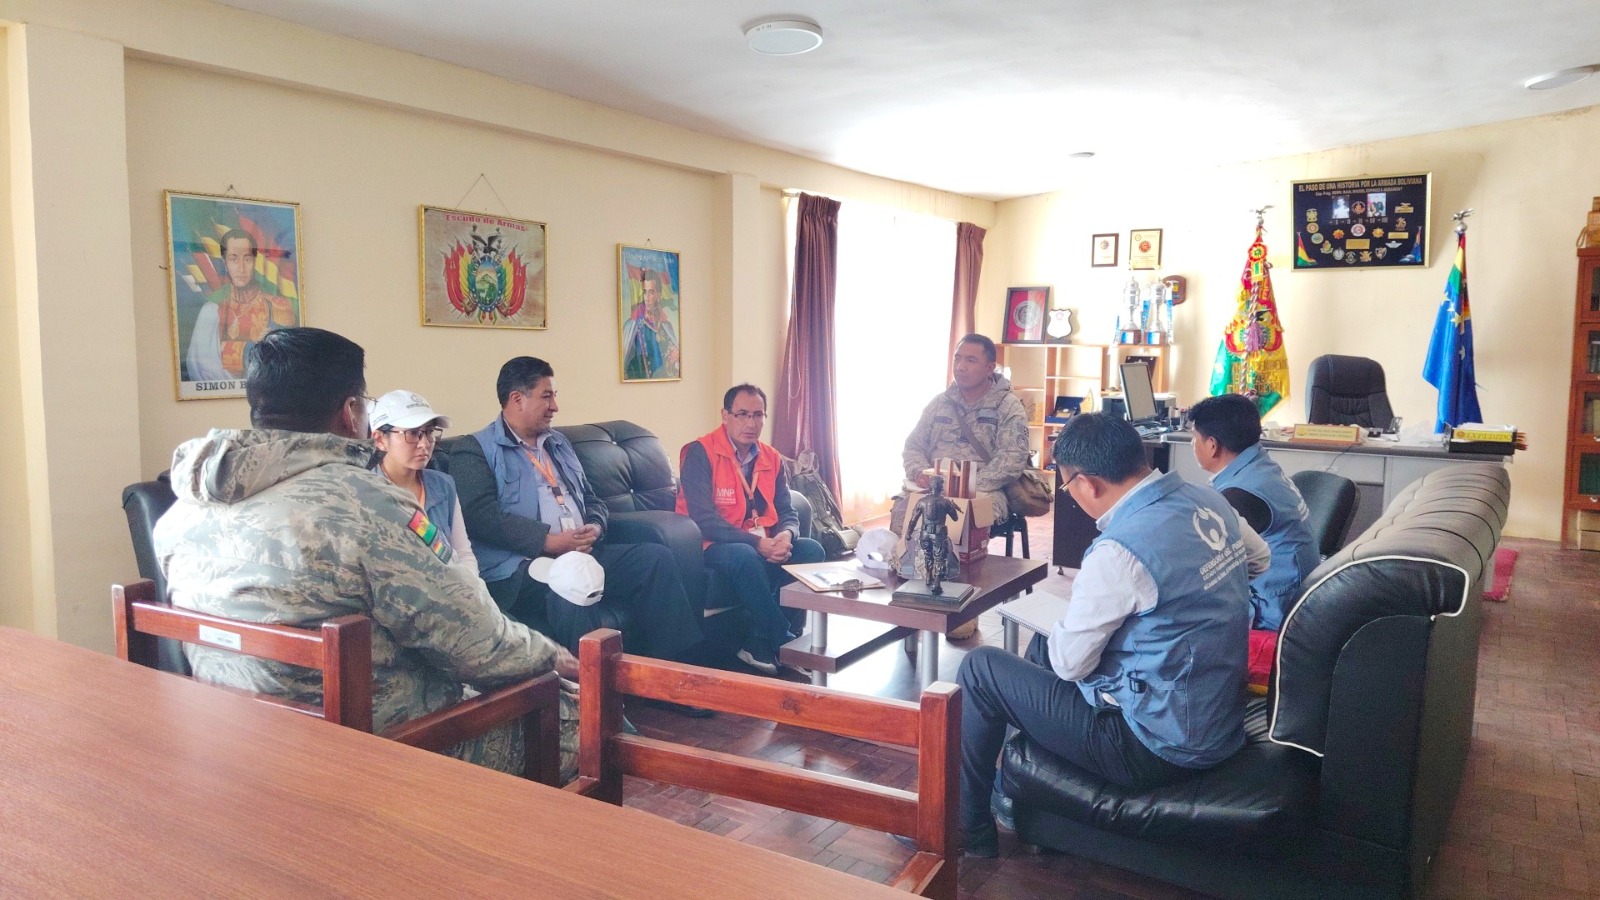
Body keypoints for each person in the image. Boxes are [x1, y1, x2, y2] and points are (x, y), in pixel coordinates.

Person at [154, 327, 576, 779]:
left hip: (233, 744)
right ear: (351, 412)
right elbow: (477, 645)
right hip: (370, 753)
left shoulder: (183, 511)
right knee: (578, 716)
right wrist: (556, 658)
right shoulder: (366, 506)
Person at [952, 413, 1267, 857]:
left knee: (981, 669)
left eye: (1068, 488)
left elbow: (1070, 665)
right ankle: (1011, 793)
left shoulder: (1120, 550)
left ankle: (966, 829)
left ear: (1087, 483)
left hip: (1154, 745)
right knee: (1043, 644)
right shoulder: (1209, 500)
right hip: (1215, 717)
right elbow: (1260, 559)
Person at [449, 356, 706, 686]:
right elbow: (479, 515)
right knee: (571, 585)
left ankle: (676, 682)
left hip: (580, 551)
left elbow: (592, 499)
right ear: (517, 399)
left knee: (654, 559)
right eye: (546, 396)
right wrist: (548, 541)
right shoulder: (475, 450)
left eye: (554, 396)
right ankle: (593, 700)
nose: (555, 406)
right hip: (524, 565)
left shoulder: (558, 444)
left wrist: (595, 526)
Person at [674, 383, 825, 675]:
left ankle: (758, 641)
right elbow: (703, 518)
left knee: (811, 550)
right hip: (708, 543)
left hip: (758, 542)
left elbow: (787, 511)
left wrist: (786, 535)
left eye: (758, 415)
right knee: (745, 555)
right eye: (742, 414)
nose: (750, 423)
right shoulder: (700, 452)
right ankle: (784, 642)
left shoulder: (771, 457)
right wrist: (758, 544)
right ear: (725, 415)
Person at [1188, 392, 1320, 631]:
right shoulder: (1259, 465)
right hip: (1298, 596)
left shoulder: (1241, 494)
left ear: (1212, 446)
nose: (1192, 444)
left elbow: (1204, 564)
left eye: (1194, 437)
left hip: (1273, 611)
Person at [901, 333, 1029, 524]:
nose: (960, 367)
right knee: (902, 511)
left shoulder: (1007, 406)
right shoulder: (940, 403)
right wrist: (919, 472)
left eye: (971, 360)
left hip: (983, 490)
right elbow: (914, 446)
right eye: (957, 358)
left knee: (960, 520)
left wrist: (964, 487)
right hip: (933, 487)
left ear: (989, 368)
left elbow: (1012, 460)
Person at [369, 389, 477, 577]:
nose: (424, 443)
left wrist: (473, 589)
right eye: (412, 433)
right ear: (380, 439)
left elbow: (462, 552)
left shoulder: (443, 485)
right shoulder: (366, 492)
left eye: (429, 432)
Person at [185, 228, 297, 381]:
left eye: (247, 259)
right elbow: (202, 364)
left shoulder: (278, 306)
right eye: (234, 259)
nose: (241, 268)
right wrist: (250, 345)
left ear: (254, 262)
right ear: (225, 263)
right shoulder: (212, 309)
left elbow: (287, 360)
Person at [621, 270, 680, 380]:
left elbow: (673, 369)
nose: (647, 298)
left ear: (658, 295)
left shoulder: (666, 327)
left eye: (651, 292)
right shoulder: (632, 327)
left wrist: (676, 357)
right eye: (645, 292)